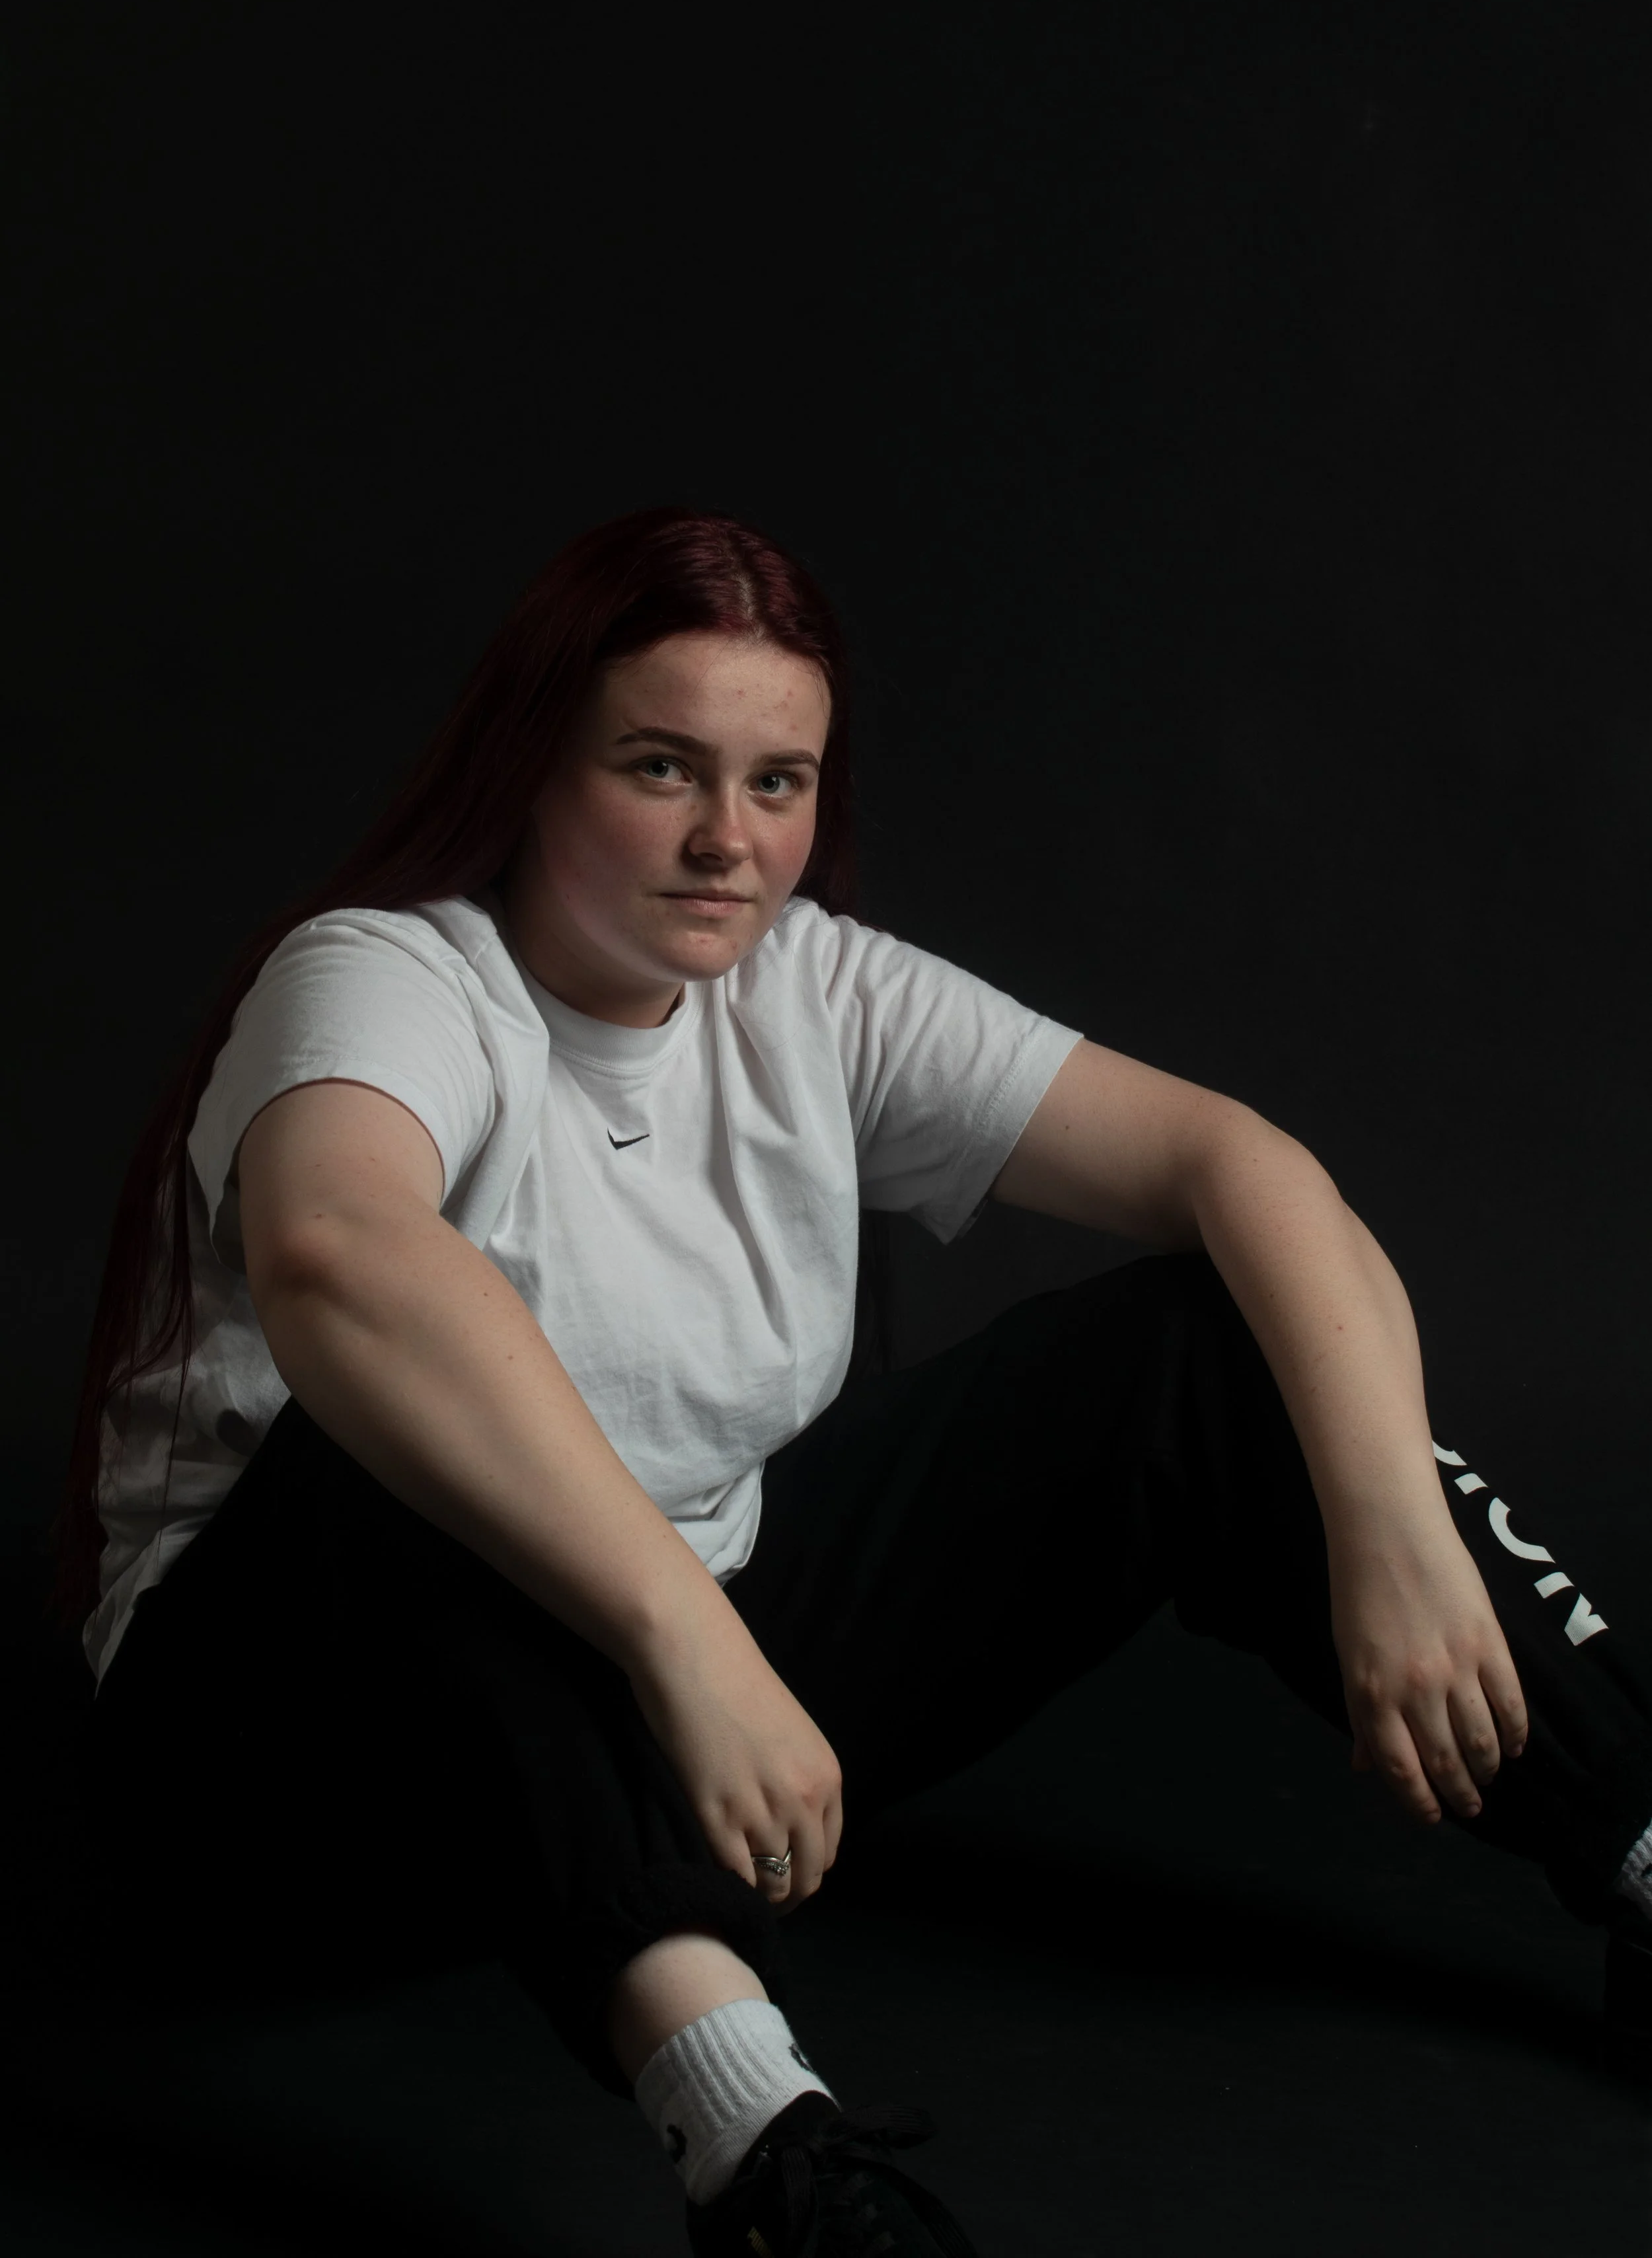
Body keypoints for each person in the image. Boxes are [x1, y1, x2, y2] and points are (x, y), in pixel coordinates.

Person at [59, 506, 1651, 2257]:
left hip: (666, 1719)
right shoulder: (385, 977)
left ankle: (1643, 1843)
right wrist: (688, 1639)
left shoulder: (805, 988)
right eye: (660, 767)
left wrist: (1386, 1526)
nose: (725, 840)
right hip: (287, 1778)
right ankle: (764, 2151)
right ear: (531, 764)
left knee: (1201, 1345)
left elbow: (1241, 1166)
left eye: (778, 782)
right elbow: (340, 1256)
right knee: (392, 1431)